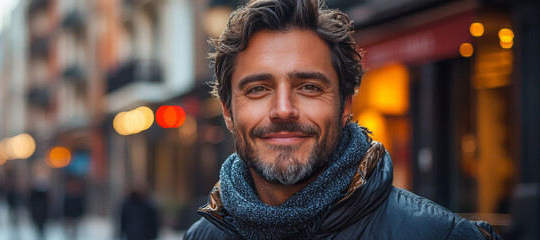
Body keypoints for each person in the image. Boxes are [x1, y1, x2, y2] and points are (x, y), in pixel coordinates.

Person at [184, 0, 502, 239]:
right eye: (257, 89)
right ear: (227, 110)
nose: (283, 109)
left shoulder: (441, 235)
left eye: (309, 87)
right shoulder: (201, 236)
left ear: (344, 104)